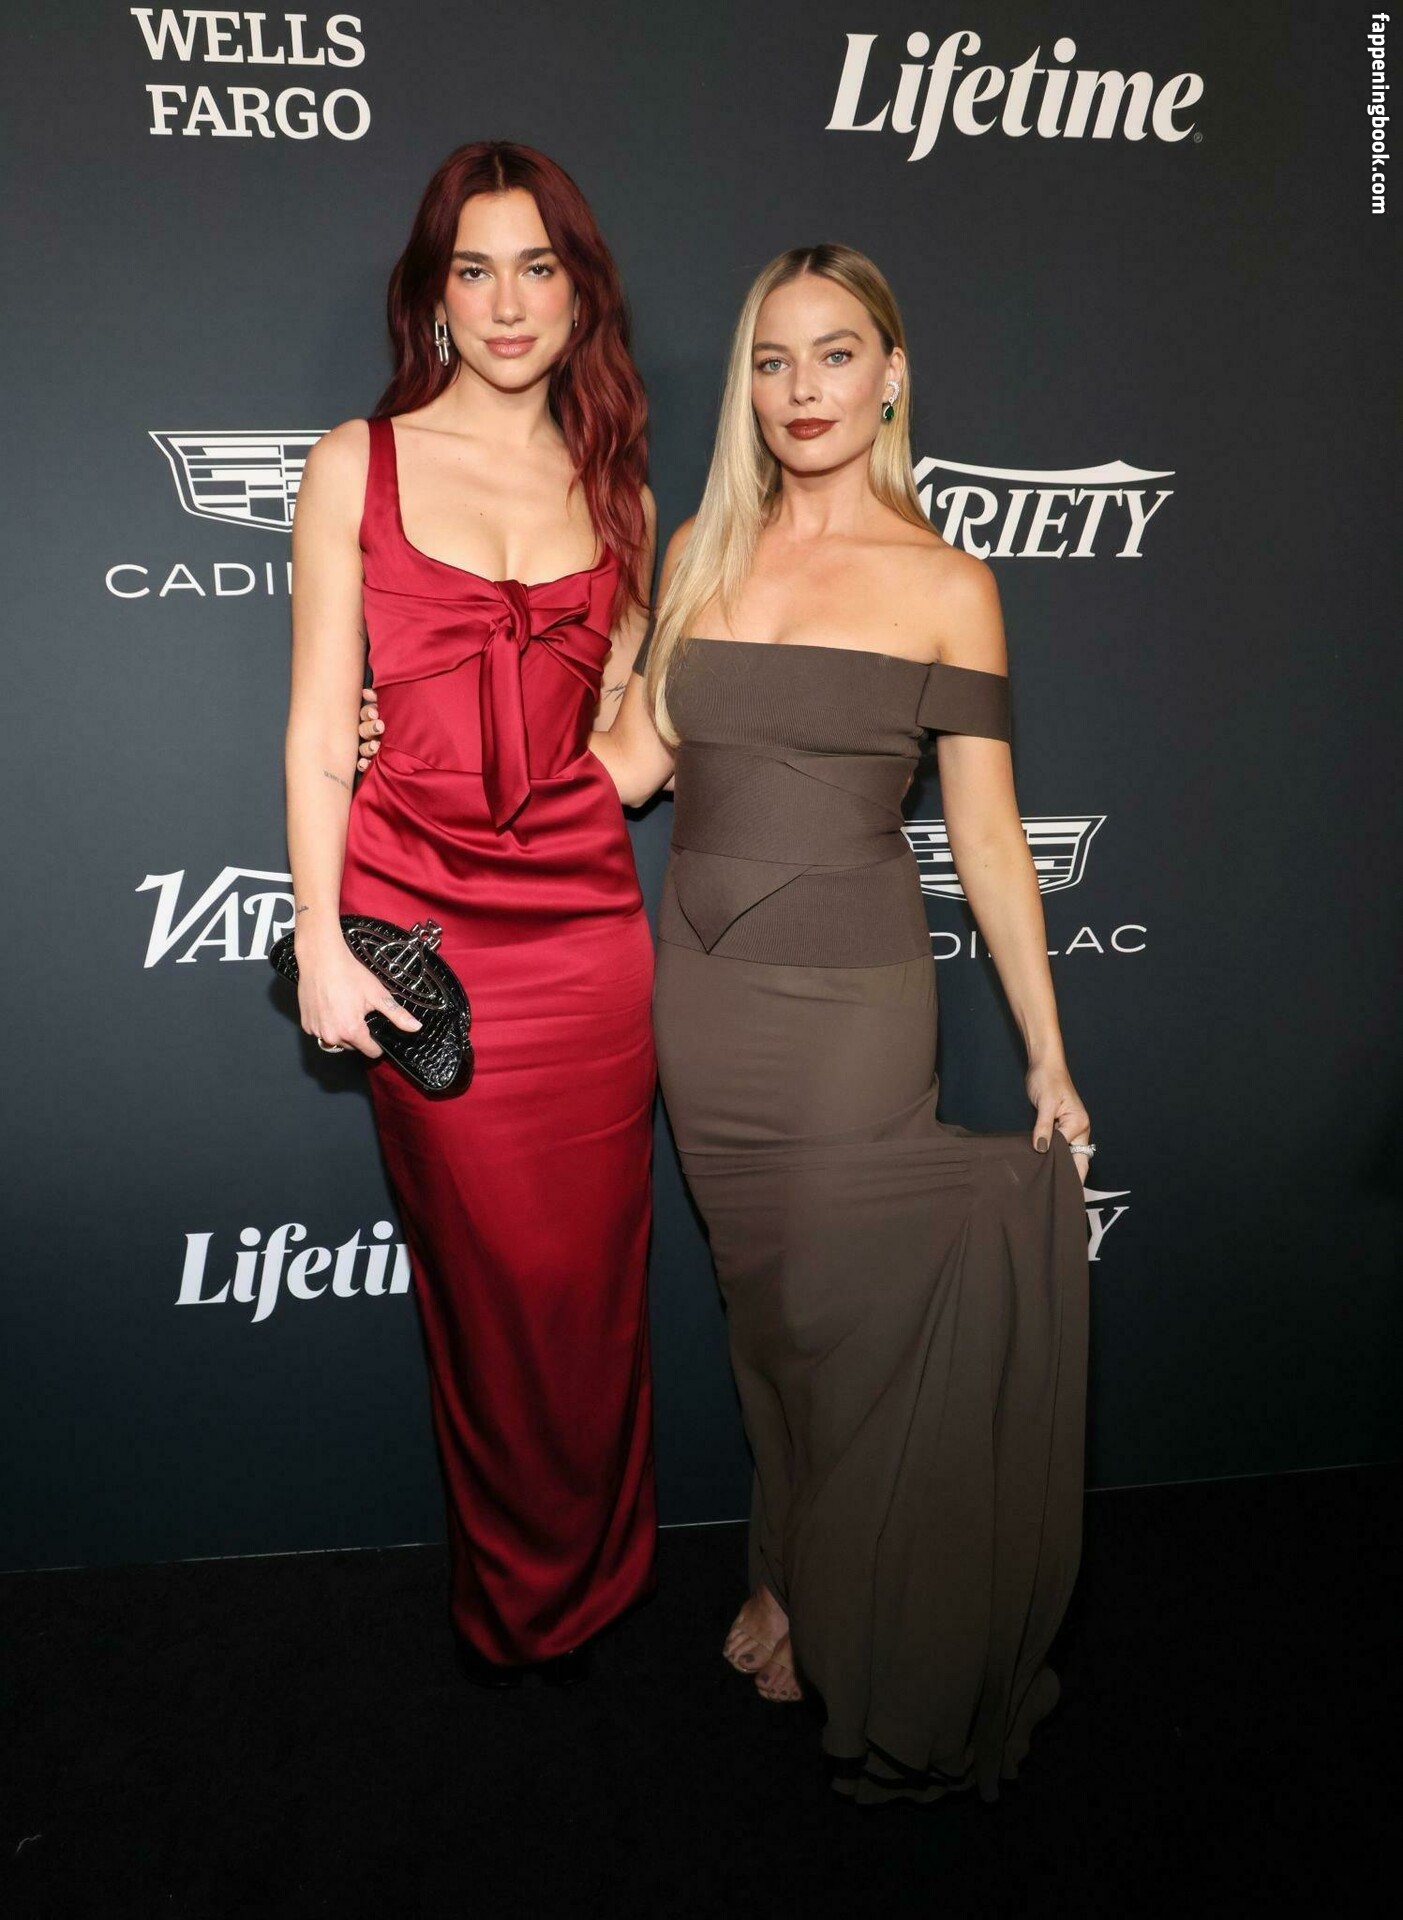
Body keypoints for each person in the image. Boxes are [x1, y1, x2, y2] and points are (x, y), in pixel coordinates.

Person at [592, 244, 1092, 1804]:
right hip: (705, 999)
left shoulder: (949, 584)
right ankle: (795, 1566)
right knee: (771, 1321)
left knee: (844, 1313)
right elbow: (623, 771)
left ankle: (842, 1600)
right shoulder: (701, 550)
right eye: (772, 359)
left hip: (858, 1003)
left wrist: (1047, 1050)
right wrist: (429, 735)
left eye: (834, 354)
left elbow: (988, 837)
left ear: (889, 377)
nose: (800, 389)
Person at [284, 142, 657, 1688]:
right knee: (494, 1287)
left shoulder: (620, 486)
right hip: (423, 935)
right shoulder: (354, 465)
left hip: (588, 940)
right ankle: (521, 1608)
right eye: (475, 269)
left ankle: (609, 1587)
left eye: (538, 269)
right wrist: (319, 937)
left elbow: (635, 730)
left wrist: (586, 772)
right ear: (434, 296)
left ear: (578, 295)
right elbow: (320, 726)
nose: (508, 304)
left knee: (593, 1290)